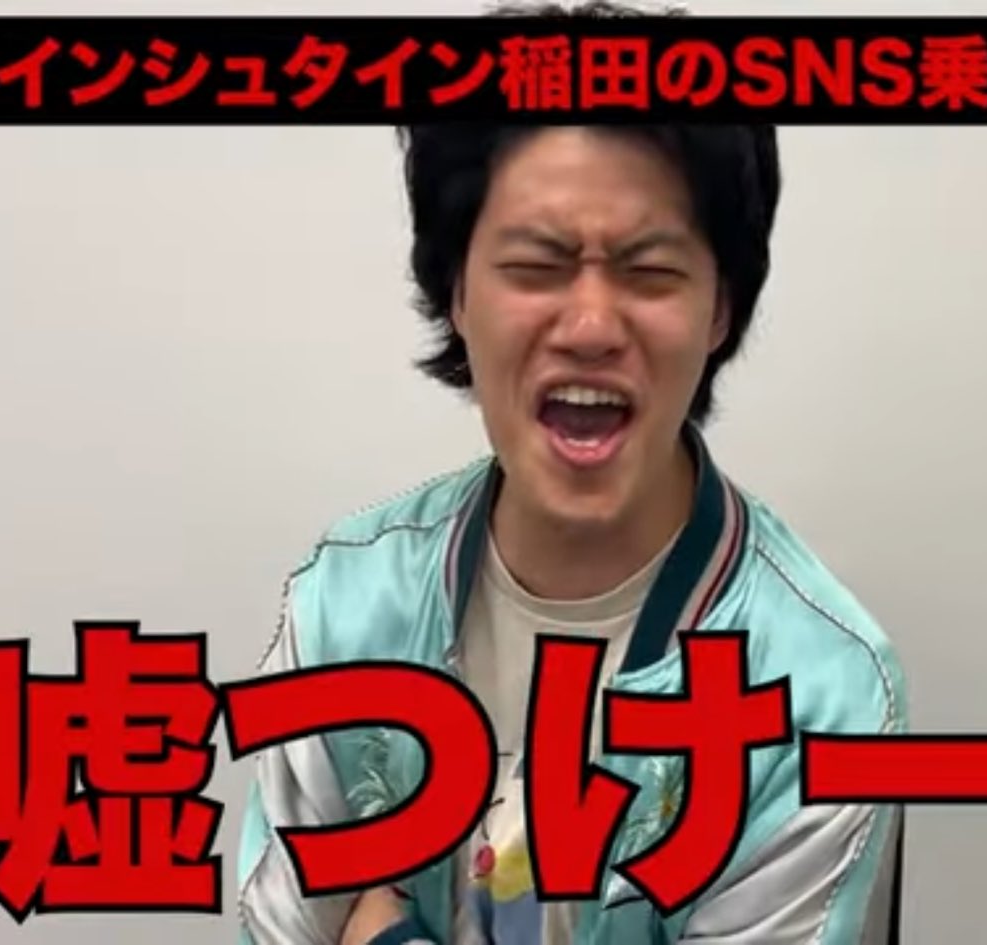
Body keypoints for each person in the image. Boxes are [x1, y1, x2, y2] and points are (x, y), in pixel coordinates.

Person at [235, 8, 906, 944]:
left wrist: (380, 931)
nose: (590, 325)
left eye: (649, 270)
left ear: (721, 307)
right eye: (536, 265)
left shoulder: (819, 690)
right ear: (457, 291)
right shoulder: (345, 606)